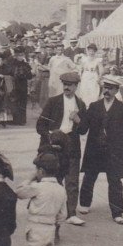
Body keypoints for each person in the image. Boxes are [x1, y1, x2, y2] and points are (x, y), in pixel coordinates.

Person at [35, 70, 89, 226]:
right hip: (53, 145)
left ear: (76, 86)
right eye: (65, 84)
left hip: (71, 145)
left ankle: (71, 213)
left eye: (70, 85)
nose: (67, 87)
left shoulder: (81, 104)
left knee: (72, 181)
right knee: (53, 180)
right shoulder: (53, 102)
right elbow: (40, 125)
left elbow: (84, 129)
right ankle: (51, 212)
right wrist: (50, 136)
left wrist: (78, 120)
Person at [78, 75, 123, 224]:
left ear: (116, 90)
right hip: (94, 149)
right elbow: (83, 128)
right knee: (89, 176)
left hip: (114, 151)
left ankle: (117, 212)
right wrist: (77, 120)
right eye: (105, 88)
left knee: (115, 181)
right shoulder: (94, 106)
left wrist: (113, 141)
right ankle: (84, 203)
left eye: (110, 88)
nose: (106, 91)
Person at [15, 151, 68, 246]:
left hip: (36, 228)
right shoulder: (61, 189)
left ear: (41, 171)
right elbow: (63, 215)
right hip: (50, 229)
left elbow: (19, 192)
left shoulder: (37, 187)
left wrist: (29, 179)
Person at [10, 46, 33, 125]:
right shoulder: (12, 64)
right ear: (16, 55)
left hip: (23, 85)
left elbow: (30, 76)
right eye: (19, 55)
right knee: (14, 102)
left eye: (22, 55)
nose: (20, 57)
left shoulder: (26, 65)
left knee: (23, 102)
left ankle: (22, 120)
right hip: (14, 85)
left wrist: (27, 74)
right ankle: (15, 119)